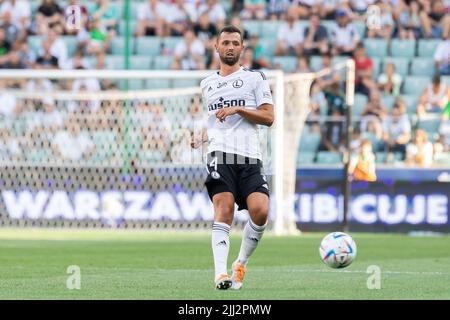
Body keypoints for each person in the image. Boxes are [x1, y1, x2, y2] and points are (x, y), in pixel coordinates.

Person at [191, 25, 274, 290]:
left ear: (242, 48)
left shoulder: (255, 78)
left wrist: (238, 108)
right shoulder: (207, 84)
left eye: (235, 43)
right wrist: (201, 136)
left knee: (260, 211)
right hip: (220, 154)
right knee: (223, 209)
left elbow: (269, 117)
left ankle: (241, 262)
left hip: (250, 157)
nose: (230, 47)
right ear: (216, 47)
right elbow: (215, 120)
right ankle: (220, 274)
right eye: (225, 42)